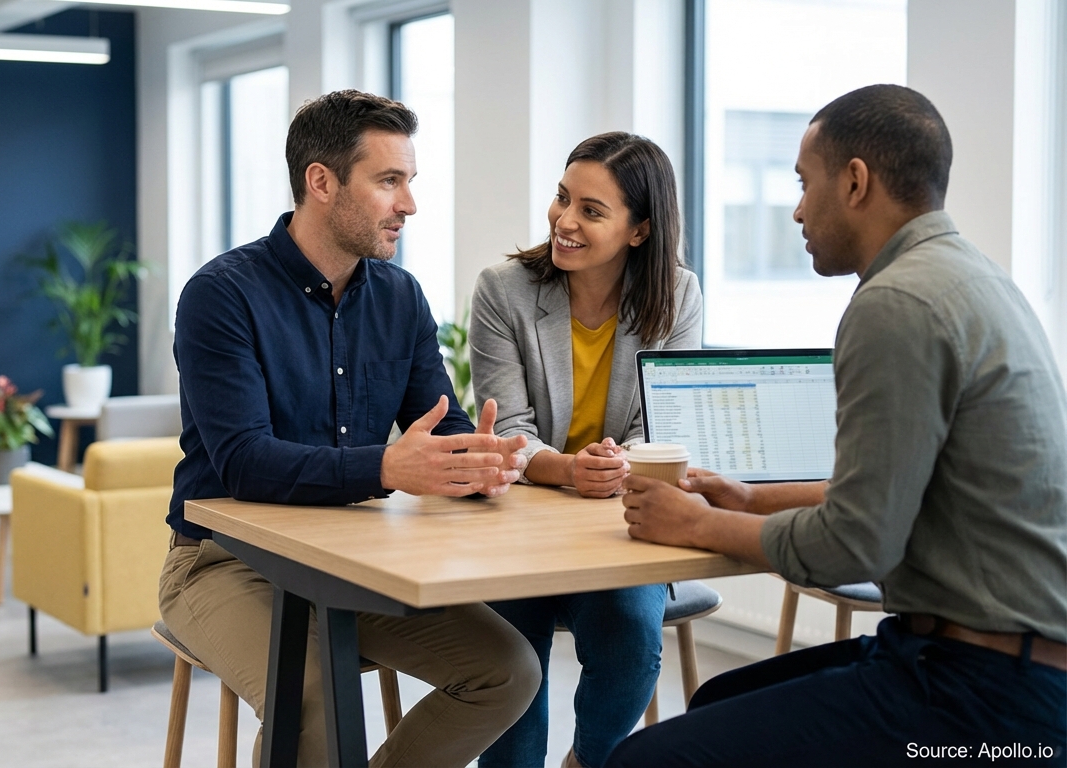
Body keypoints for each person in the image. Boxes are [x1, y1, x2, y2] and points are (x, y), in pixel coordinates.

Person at [607, 84, 1067, 767]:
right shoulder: (970, 278)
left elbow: (857, 542)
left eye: (803, 182)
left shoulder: (897, 302)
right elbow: (899, 494)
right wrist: (752, 497)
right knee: (714, 703)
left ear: (855, 182)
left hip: (989, 698)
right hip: (993, 662)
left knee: (643, 760)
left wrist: (693, 523)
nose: (795, 208)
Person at [159, 89, 542, 768]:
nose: (410, 205)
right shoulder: (221, 295)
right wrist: (388, 469)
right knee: (310, 698)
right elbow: (245, 463)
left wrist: (479, 461)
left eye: (410, 182)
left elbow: (440, 427)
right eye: (389, 181)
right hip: (224, 563)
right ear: (321, 182)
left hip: (352, 559)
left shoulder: (400, 297)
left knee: (507, 671)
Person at [469, 132, 703, 768]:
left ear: (639, 230)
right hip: (519, 519)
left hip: (617, 523)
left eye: (592, 211)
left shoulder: (676, 296)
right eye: (561, 198)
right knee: (510, 657)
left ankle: (587, 763)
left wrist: (620, 463)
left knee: (631, 637)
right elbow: (508, 427)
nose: (564, 221)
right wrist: (571, 469)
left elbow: (661, 424)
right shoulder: (504, 290)